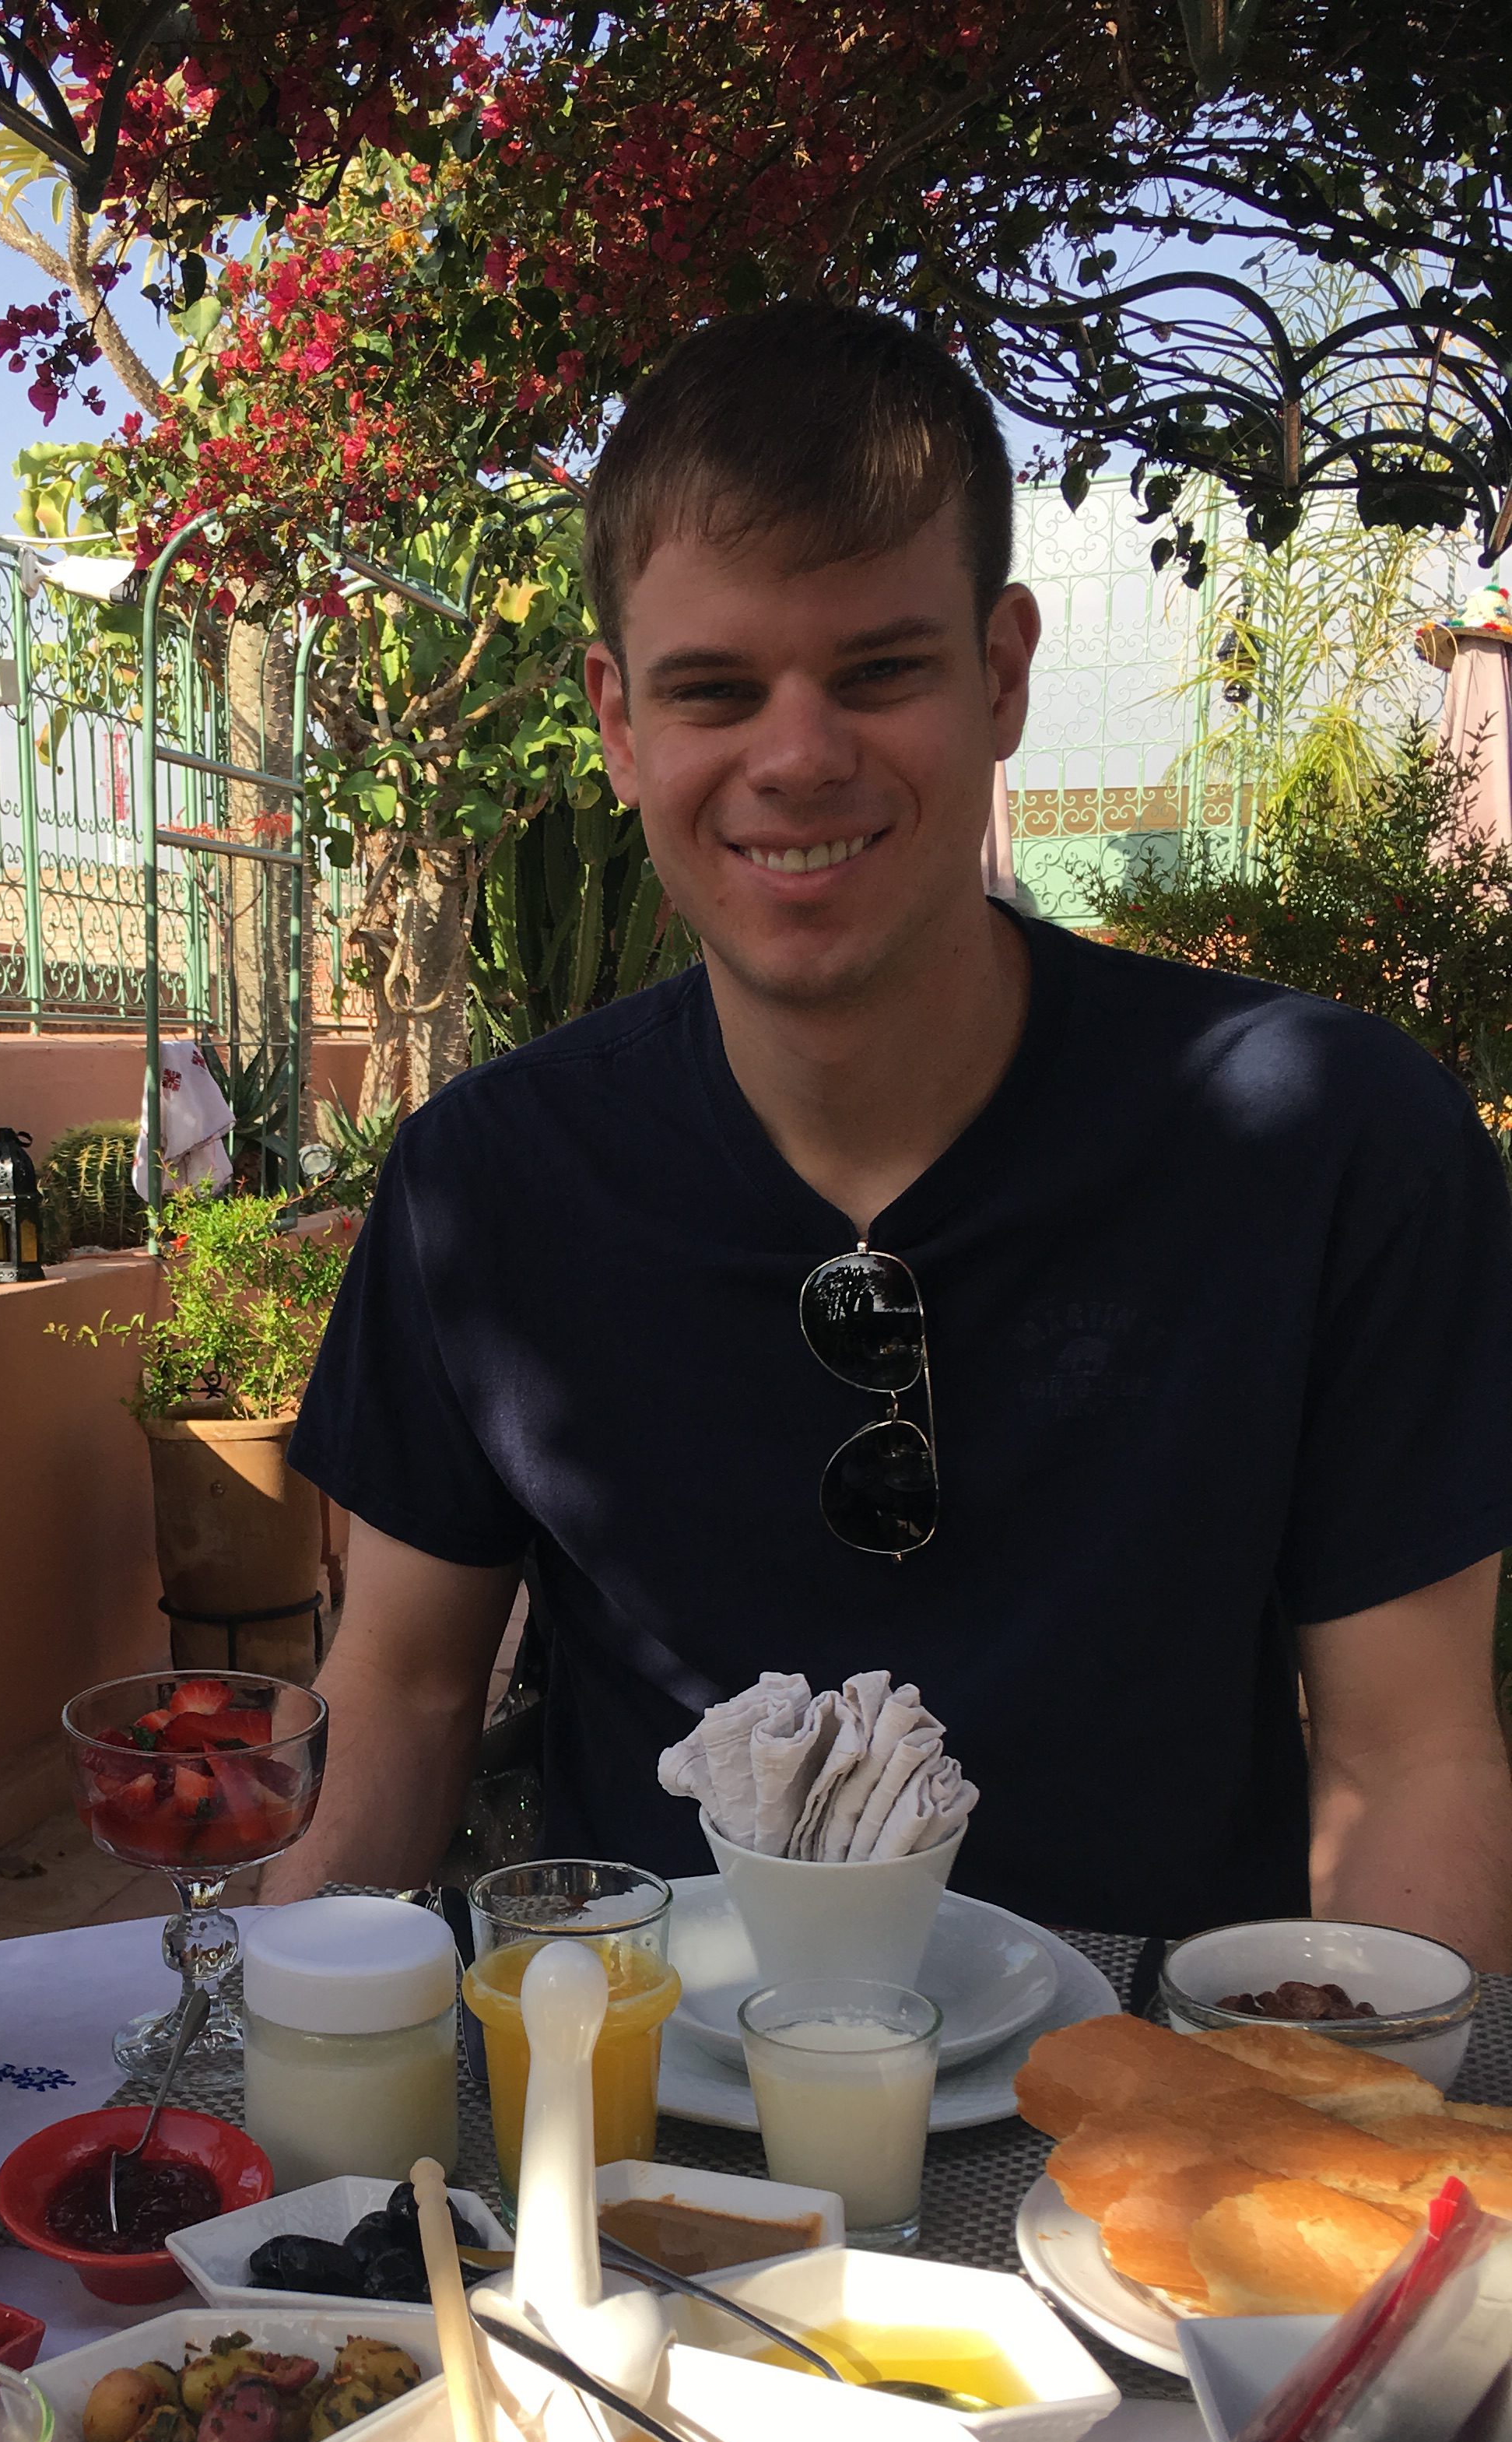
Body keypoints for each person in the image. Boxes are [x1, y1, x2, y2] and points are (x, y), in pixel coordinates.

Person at [268, 300, 1512, 1962]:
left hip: (1165, 2141)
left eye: (879, 671)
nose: (798, 755)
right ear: (621, 723)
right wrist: (271, 2102)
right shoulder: (485, 1189)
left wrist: (1382, 2169)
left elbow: (1408, 1748)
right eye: (715, 689)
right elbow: (407, 1703)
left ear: (1000, 675)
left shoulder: (1341, 1147)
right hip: (650, 2155)